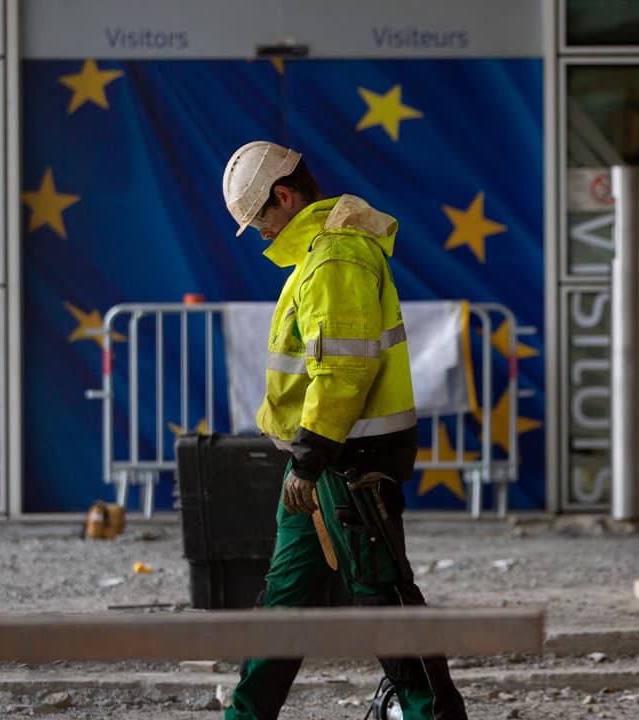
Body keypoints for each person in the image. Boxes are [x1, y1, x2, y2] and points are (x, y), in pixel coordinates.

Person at [219, 140, 468, 720]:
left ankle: (434, 715)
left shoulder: (334, 257)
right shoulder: (319, 255)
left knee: (384, 597)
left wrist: (309, 457)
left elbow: (343, 372)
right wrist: (305, 459)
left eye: (259, 220)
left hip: (344, 460)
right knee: (284, 602)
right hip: (321, 460)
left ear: (284, 196)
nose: (259, 234)